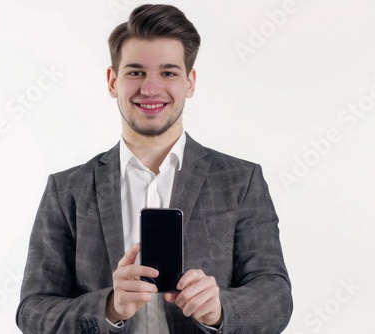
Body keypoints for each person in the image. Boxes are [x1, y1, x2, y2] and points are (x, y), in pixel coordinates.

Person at [16, 4, 292, 333]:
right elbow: (32, 311)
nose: (150, 88)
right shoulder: (67, 191)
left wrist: (219, 310)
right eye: (135, 72)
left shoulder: (240, 181)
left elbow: (275, 297)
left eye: (168, 72)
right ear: (111, 81)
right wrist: (109, 307)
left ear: (190, 82)